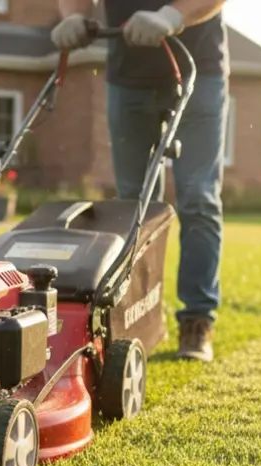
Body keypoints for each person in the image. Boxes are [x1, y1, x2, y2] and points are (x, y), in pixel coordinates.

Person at [51, 0, 228, 362]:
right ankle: (136, 315)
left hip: (197, 67)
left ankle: (197, 320)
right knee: (133, 204)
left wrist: (172, 16)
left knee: (198, 196)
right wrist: (72, 17)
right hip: (127, 77)